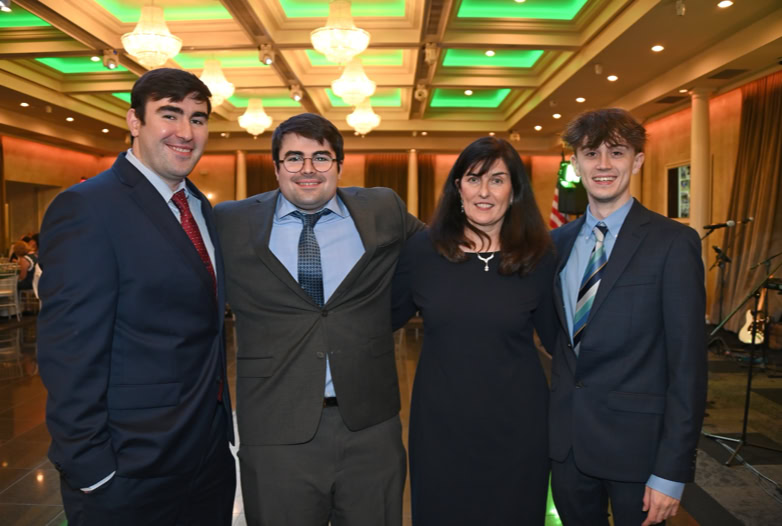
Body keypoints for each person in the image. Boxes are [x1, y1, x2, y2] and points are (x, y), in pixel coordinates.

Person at [37, 68, 235, 526]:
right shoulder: (88, 207)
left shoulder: (199, 206)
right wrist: (91, 468)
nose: (186, 132)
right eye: (170, 114)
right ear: (134, 121)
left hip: (206, 456)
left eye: (198, 119)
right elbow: (69, 350)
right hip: (128, 468)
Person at [215, 113, 423, 526]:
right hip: (275, 428)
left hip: (370, 426)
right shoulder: (230, 221)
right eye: (294, 158)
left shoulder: (383, 209)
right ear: (276, 167)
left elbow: (438, 255)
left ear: (339, 165)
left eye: (321, 157)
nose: (307, 169)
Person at [549, 108, 707, 526]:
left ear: (637, 161)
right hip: (567, 450)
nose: (603, 165)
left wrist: (671, 471)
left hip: (639, 453)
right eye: (591, 153)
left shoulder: (673, 243)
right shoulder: (555, 244)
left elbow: (688, 367)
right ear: (576, 164)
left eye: (616, 152)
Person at [392, 137, 556, 525]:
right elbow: (379, 319)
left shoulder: (540, 255)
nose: (484, 191)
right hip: (441, 427)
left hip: (520, 427)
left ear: (514, 191)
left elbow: (559, 342)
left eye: (497, 180)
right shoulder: (421, 251)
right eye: (473, 178)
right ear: (457, 187)